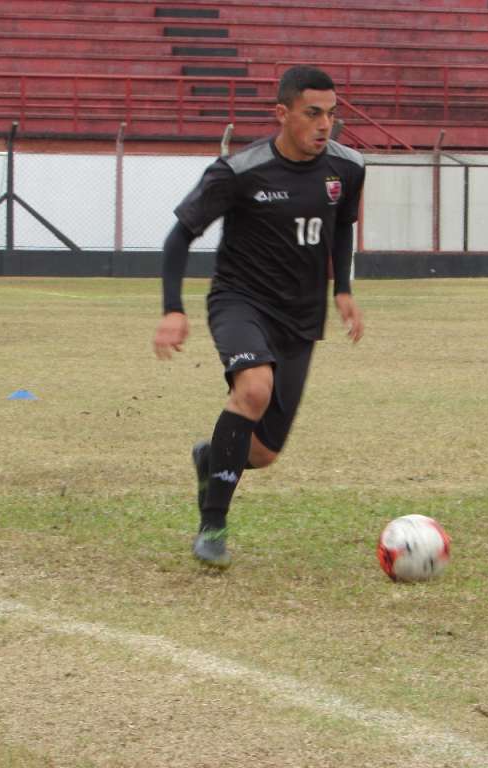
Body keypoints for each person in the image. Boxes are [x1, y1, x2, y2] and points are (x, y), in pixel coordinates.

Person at [152, 65, 366, 568]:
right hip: (239, 302)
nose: (324, 125)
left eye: (332, 115)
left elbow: (341, 228)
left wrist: (345, 290)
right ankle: (213, 525)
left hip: (302, 316)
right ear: (283, 113)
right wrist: (172, 309)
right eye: (313, 114)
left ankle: (212, 458)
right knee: (252, 389)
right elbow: (179, 235)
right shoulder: (239, 171)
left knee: (264, 453)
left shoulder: (348, 167)